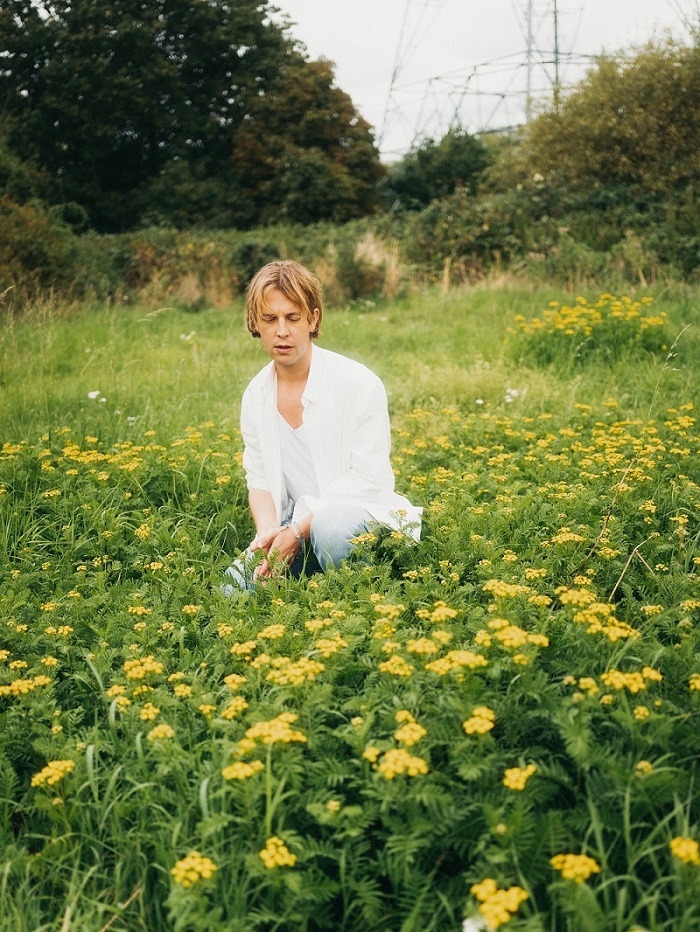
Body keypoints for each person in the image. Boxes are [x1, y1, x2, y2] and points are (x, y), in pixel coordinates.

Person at [222, 260, 421, 593]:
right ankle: (311, 576)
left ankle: (362, 593)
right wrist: (271, 534)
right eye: (270, 319)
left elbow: (369, 479)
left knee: (333, 528)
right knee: (233, 589)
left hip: (357, 518)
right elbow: (258, 479)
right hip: (291, 529)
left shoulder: (358, 383)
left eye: (293, 317)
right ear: (254, 323)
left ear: (313, 319)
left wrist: (299, 531)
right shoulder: (256, 396)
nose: (281, 331)